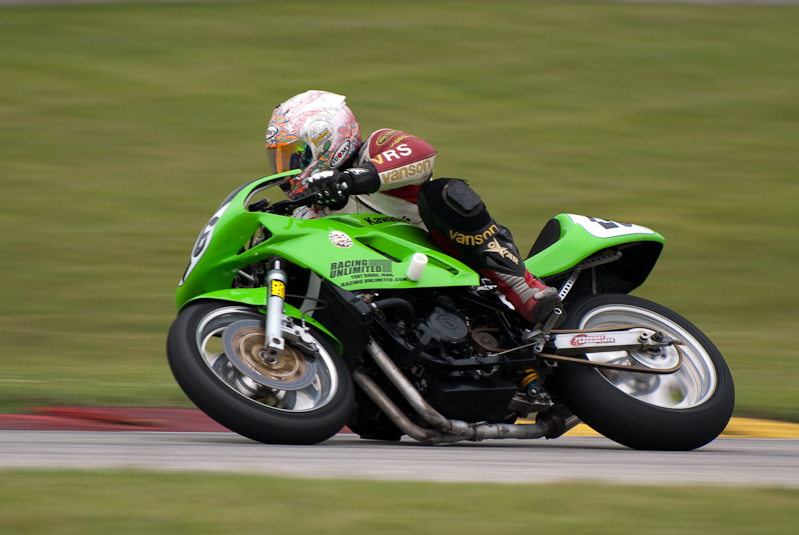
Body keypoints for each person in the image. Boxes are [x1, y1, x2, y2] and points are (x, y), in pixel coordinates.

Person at [265, 90, 561, 325]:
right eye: (281, 158)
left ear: (325, 137)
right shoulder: (311, 207)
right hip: (387, 288)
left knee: (444, 192)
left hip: (449, 261)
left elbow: (422, 153)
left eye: (295, 154)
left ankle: (523, 287)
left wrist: (352, 179)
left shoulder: (376, 147)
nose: (289, 167)